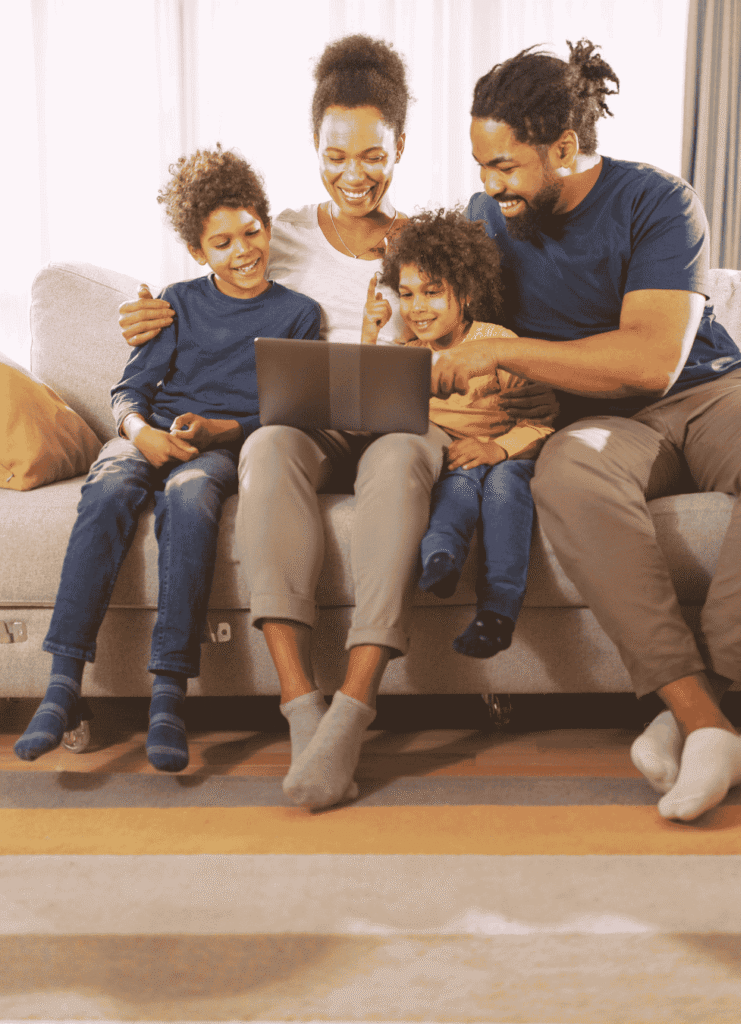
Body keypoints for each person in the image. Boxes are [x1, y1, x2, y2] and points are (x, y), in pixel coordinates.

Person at [118, 35, 559, 810]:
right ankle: (301, 707)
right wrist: (154, 313)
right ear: (313, 147)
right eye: (334, 155)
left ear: (400, 148)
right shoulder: (277, 234)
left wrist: (512, 400)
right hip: (311, 420)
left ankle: (354, 706)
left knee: (396, 463)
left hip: (402, 421)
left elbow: (476, 341)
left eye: (373, 155)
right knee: (270, 445)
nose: (353, 174)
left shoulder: (428, 237)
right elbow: (217, 284)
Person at [430, 40, 741, 822]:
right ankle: (708, 725)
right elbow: (427, 301)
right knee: (567, 477)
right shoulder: (485, 219)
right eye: (480, 167)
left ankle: (696, 716)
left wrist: (507, 351)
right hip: (595, 429)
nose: (489, 186)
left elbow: (647, 361)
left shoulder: (657, 201)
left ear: (565, 147)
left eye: (504, 167)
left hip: (705, 394)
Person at [15, 146, 320, 772]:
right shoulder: (176, 304)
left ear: (267, 222)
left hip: (216, 451)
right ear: (197, 252)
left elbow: (288, 412)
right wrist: (136, 430)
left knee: (191, 496)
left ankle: (167, 696)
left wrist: (217, 430)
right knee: (107, 486)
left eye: (251, 232)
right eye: (221, 243)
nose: (241, 251)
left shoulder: (298, 315)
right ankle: (61, 684)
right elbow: (128, 390)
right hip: (147, 434)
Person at [366, 208, 553, 658]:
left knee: (505, 491)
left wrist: (496, 448)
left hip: (505, 456)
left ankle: (498, 611)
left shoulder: (495, 343)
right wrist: (369, 332)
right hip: (455, 459)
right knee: (457, 486)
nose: (417, 308)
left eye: (432, 293)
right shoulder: (406, 355)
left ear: (466, 294)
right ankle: (441, 561)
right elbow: (367, 399)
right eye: (407, 295)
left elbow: (540, 422)